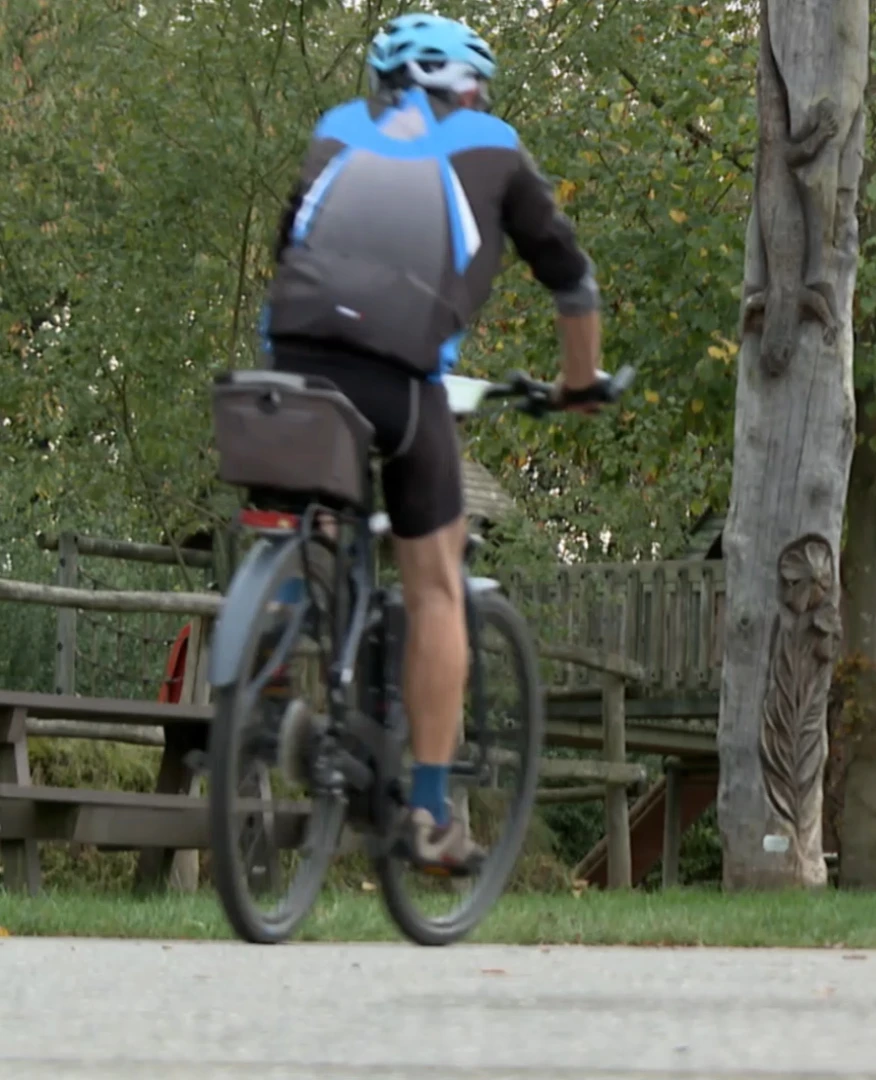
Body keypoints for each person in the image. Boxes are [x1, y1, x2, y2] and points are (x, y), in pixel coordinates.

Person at [259, 12, 604, 873]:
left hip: (291, 366)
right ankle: (427, 812)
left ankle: (267, 675)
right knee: (438, 581)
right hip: (399, 382)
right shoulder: (493, 147)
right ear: (463, 88)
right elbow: (569, 275)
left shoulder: (336, 131)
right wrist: (579, 384)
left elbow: (286, 247)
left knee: (309, 512)